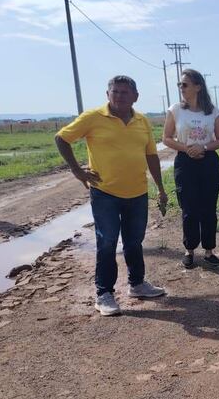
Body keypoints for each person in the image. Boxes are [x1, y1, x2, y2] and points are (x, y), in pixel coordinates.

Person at [55, 75, 167, 316]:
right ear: (107, 95)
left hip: (137, 192)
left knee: (134, 241)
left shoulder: (142, 120)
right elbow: (62, 138)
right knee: (106, 242)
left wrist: (160, 188)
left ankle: (137, 284)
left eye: (124, 92)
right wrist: (77, 170)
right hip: (105, 192)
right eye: (114, 92)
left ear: (135, 96)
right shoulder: (93, 117)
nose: (118, 96)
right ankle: (104, 293)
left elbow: (151, 156)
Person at [162, 69, 219, 268]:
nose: (182, 88)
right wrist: (187, 149)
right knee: (188, 209)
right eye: (180, 85)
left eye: (185, 84)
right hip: (185, 162)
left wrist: (204, 147)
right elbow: (166, 138)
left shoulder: (213, 111)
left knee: (208, 208)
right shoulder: (175, 110)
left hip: (208, 162)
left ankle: (209, 251)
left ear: (198, 87)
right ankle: (189, 250)